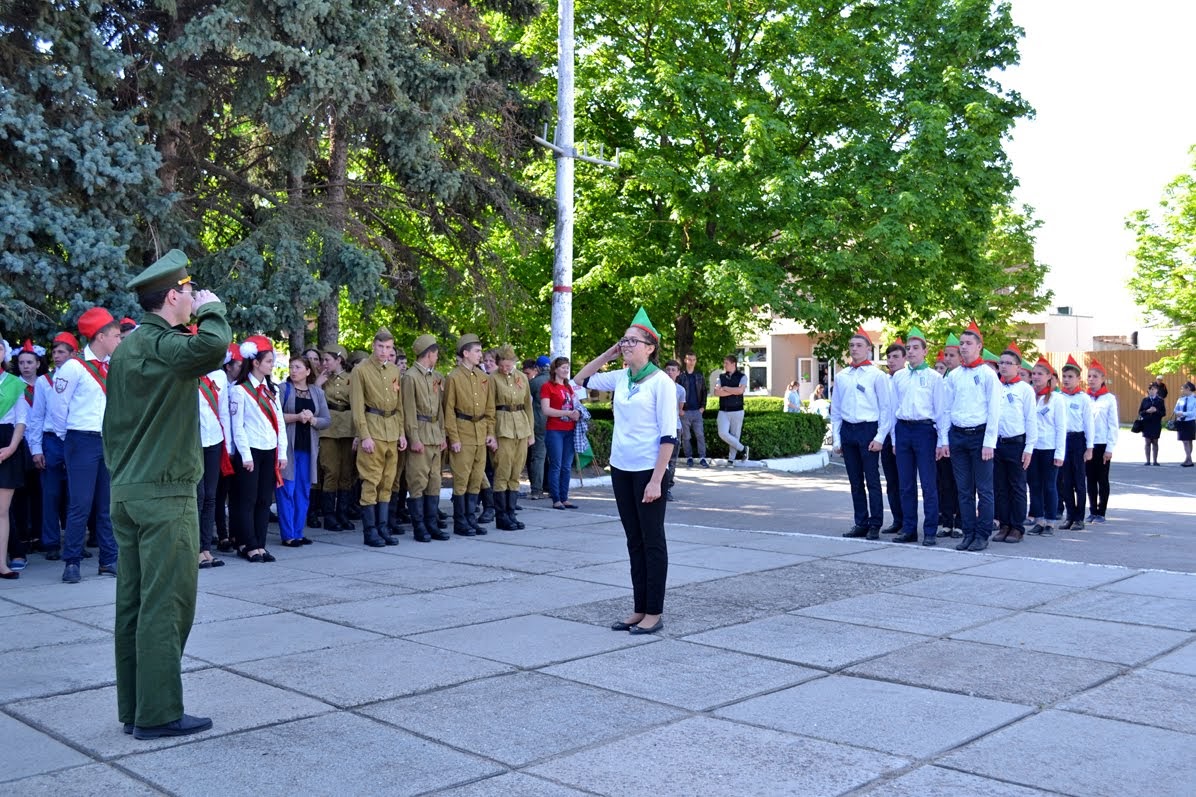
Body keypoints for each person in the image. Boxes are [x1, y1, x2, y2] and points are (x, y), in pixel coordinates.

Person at [103, 249, 231, 739]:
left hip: (130, 489)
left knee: (134, 602)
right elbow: (211, 348)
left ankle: (135, 708)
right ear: (173, 295)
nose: (192, 299)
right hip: (164, 494)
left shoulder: (129, 348)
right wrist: (213, 309)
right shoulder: (160, 343)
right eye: (189, 292)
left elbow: (112, 426)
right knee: (167, 603)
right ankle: (158, 714)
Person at [574, 307, 677, 635]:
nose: (627, 345)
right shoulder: (621, 378)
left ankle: (654, 612)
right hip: (621, 468)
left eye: (633, 341)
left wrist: (657, 480)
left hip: (649, 471)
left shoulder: (661, 383)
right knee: (634, 541)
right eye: (624, 341)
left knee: (652, 541)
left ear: (650, 348)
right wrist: (610, 351)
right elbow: (580, 379)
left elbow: (668, 436)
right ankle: (638, 607)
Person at [53, 306, 123, 582]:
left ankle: (109, 559)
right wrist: (69, 439)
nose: (119, 341)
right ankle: (71, 561)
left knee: (107, 506)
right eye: (117, 336)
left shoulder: (111, 367)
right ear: (101, 336)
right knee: (80, 504)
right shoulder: (73, 367)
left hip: (107, 442)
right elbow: (59, 410)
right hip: (81, 440)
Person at [938, 322, 1001, 552]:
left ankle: (982, 534)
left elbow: (995, 410)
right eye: (961, 344)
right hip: (958, 436)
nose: (963, 347)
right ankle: (968, 532)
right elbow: (945, 409)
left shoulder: (988, 375)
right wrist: (944, 440)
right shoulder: (953, 376)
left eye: (968, 344)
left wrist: (989, 442)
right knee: (963, 489)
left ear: (979, 347)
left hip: (979, 435)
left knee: (984, 489)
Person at [229, 335, 287, 561]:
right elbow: (238, 426)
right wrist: (245, 455)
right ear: (255, 362)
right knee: (248, 499)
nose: (272, 365)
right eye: (269, 361)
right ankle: (248, 544)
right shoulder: (240, 390)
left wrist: (281, 452)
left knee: (265, 499)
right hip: (250, 450)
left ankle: (260, 544)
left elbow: (279, 423)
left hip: (269, 449)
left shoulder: (273, 390)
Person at [832, 328, 892, 540]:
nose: (854, 349)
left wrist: (880, 437)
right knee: (855, 481)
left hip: (868, 429)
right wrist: (837, 439)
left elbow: (886, 408)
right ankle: (861, 522)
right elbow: (836, 410)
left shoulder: (877, 375)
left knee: (872, 480)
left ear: (869, 349)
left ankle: (875, 523)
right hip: (848, 430)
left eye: (859, 346)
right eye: (851, 346)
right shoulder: (842, 376)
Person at [350, 328, 407, 547]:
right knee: (371, 481)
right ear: (374, 345)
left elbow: (399, 405)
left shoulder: (394, 370)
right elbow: (357, 408)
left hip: (391, 430)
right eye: (381, 347)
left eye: (389, 348)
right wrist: (364, 435)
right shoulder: (361, 370)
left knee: (388, 482)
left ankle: (383, 528)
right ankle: (370, 531)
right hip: (372, 430)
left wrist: (401, 433)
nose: (384, 351)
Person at [890, 327, 945, 546]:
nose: (911, 352)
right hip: (904, 429)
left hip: (924, 431)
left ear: (925, 351)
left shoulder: (934, 377)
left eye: (915, 348)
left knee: (929, 484)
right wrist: (894, 439)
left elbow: (940, 411)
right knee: (905, 483)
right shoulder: (899, 377)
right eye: (908, 348)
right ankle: (909, 528)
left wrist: (942, 441)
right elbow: (893, 409)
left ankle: (930, 529)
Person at [27, 332, 77, 560]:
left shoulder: (81, 378)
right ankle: (51, 542)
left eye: (61, 352)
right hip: (51, 441)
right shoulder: (44, 382)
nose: (56, 356)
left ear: (72, 355)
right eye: (54, 352)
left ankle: (74, 542)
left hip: (76, 439)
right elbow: (36, 417)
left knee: (76, 494)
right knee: (51, 493)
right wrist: (36, 448)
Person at [444, 334, 495, 536]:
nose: (480, 355)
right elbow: (448, 410)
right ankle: (460, 522)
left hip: (480, 432)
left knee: (476, 478)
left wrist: (490, 432)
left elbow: (490, 408)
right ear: (465, 353)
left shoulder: (484, 378)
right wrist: (454, 438)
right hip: (463, 430)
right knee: (462, 479)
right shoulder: (453, 377)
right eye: (477, 351)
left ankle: (471, 520)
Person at [277, 355, 331, 546]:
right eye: (291, 367)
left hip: (308, 448)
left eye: (298, 367)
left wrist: (312, 420)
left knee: (303, 490)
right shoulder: (283, 389)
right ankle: (288, 534)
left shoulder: (317, 392)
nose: (293, 371)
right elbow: (276, 415)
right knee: (287, 490)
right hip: (288, 448)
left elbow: (326, 420)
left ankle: (298, 532)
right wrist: (297, 417)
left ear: (308, 371)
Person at [402, 334, 450, 542]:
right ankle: (419, 527)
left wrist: (442, 434)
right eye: (436, 354)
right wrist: (414, 438)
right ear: (429, 354)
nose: (437, 357)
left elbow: (439, 409)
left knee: (434, 481)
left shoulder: (435, 376)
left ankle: (432, 524)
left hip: (434, 434)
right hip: (420, 433)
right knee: (418, 481)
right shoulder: (410, 377)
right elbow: (409, 411)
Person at [991, 348, 1037, 543]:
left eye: (1008, 363)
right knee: (999, 487)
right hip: (996, 443)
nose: (1003, 366)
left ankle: (1017, 527)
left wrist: (1029, 448)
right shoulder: (995, 386)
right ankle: (1004, 525)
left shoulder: (1025, 389)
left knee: (1017, 486)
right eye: (1001, 362)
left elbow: (1030, 420)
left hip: (1016, 444)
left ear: (1018, 367)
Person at [196, 339, 232, 568]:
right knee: (197, 496)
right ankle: (194, 549)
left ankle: (206, 548)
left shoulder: (219, 377)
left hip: (214, 440)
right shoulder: (187, 374)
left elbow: (224, 411)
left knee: (211, 496)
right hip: (193, 441)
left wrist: (228, 444)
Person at [489, 345, 533, 530]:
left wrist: (531, 432)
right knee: (502, 471)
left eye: (509, 365)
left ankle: (511, 513)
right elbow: (490, 408)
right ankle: (501, 516)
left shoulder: (522, 378)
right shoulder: (493, 379)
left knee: (516, 472)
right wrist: (491, 434)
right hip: (503, 426)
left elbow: (528, 405)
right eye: (503, 366)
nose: (505, 369)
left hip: (521, 427)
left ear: (515, 362)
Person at [317, 345, 355, 531]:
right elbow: (314, 401)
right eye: (323, 360)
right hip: (329, 427)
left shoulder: (352, 378)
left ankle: (343, 513)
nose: (324, 363)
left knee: (346, 472)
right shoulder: (322, 380)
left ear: (339, 360)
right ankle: (329, 516)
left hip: (348, 426)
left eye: (327, 360)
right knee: (330, 470)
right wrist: (317, 384)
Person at [0, 338, 29, 579]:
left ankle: (2, 563)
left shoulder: (14, 384)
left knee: (2, 511)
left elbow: (21, 419)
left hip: (6, 443)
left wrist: (11, 448)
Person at [1027, 357, 1065, 536]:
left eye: (1040, 374)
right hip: (1032, 448)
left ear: (1049, 376)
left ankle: (1050, 521)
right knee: (1034, 485)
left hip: (1049, 448)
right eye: (1033, 374)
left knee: (1049, 486)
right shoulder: (1029, 396)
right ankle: (1039, 519)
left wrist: (1060, 452)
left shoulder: (1056, 399)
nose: (1035, 377)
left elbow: (1060, 427)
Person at [1057, 355, 1094, 529]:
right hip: (1063, 440)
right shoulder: (1058, 397)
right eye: (1064, 376)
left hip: (1078, 440)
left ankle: (1079, 517)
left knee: (1079, 481)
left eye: (1070, 377)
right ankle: (1069, 515)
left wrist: (1089, 447)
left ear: (1079, 379)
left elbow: (1089, 424)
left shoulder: (1083, 398)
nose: (1066, 380)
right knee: (1065, 481)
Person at [540, 356, 579, 509]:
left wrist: (576, 413)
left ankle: (565, 497)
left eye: (567, 367)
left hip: (569, 430)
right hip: (555, 430)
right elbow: (546, 410)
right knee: (556, 465)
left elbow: (574, 405)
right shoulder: (548, 386)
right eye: (563, 367)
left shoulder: (569, 387)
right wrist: (568, 413)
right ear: (555, 369)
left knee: (567, 466)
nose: (566, 370)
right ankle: (556, 498)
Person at [935, 335, 962, 537]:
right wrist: (941, 440)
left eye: (952, 355)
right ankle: (946, 521)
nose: (947, 358)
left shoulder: (963, 379)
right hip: (944, 436)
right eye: (946, 355)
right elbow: (940, 412)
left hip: (961, 436)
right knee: (944, 482)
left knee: (962, 482)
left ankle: (961, 521)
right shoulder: (941, 381)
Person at [1085, 359, 1118, 523]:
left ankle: (1101, 512)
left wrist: (1110, 448)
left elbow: (1113, 425)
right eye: (1089, 376)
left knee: (1102, 479)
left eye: (1095, 376)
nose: (1091, 379)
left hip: (1102, 443)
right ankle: (1092, 510)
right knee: (1089, 478)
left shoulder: (1109, 399)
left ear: (1102, 379)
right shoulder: (1085, 398)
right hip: (1088, 444)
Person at [880, 341, 906, 534]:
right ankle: (897, 518)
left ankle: (908, 520)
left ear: (904, 359)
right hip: (886, 435)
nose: (891, 360)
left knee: (905, 481)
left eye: (896, 356)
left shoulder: (908, 379)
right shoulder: (883, 381)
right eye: (889, 357)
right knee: (891, 481)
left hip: (903, 435)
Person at [714, 354, 748, 463]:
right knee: (722, 433)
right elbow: (716, 392)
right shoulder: (721, 377)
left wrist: (726, 389)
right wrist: (733, 391)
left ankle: (731, 459)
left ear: (734, 364)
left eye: (726, 363)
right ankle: (743, 449)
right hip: (723, 410)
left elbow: (740, 391)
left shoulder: (742, 377)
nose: (724, 365)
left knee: (735, 435)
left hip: (737, 410)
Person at [526, 356, 550, 499]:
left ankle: (536, 490)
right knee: (554, 459)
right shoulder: (558, 381)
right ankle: (554, 489)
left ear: (538, 368)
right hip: (555, 423)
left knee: (538, 457)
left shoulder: (535, 382)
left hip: (539, 423)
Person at [678, 352, 708, 466]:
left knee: (700, 435)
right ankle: (689, 457)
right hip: (684, 411)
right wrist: (679, 410)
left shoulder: (699, 376)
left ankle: (702, 457)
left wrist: (703, 407)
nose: (691, 362)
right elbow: (676, 393)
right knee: (686, 437)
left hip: (697, 411)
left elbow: (704, 392)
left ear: (696, 361)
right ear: (685, 361)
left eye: (693, 359)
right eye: (689, 359)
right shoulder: (680, 377)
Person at [663, 360, 686, 500]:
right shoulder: (658, 386)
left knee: (672, 460)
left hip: (674, 427)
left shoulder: (681, 390)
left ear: (678, 372)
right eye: (668, 369)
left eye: (673, 370)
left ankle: (667, 488)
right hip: (660, 428)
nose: (670, 372)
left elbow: (680, 409)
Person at [1138, 383, 1165, 466]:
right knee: (1147, 442)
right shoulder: (1145, 400)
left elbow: (1163, 413)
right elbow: (1140, 412)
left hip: (1156, 423)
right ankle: (1148, 461)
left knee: (1155, 442)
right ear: (1148, 391)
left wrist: (1156, 410)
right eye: (1150, 389)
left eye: (1153, 389)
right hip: (1146, 424)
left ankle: (1155, 461)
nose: (1152, 391)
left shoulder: (1160, 400)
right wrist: (1147, 411)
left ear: (1157, 391)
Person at [1174, 381, 1196, 467]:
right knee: (1185, 441)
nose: (1181, 390)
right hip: (1181, 422)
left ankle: (1189, 460)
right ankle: (1188, 459)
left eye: (1183, 389)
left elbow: (1194, 413)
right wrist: (1178, 413)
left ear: (1188, 389)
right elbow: (1175, 410)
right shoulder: (1181, 399)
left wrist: (1183, 413)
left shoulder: (1194, 399)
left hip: (1190, 422)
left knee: (1189, 441)